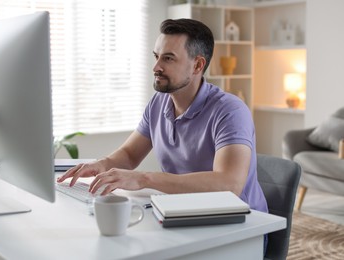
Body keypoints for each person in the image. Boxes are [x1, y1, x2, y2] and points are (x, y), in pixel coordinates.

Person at [57, 18, 268, 214]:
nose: (156, 67)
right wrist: (102, 164)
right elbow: (130, 155)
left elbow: (229, 184)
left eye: (168, 58)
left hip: (242, 222)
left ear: (197, 65)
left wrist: (144, 179)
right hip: (184, 212)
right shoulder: (158, 103)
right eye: (157, 57)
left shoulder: (230, 111)